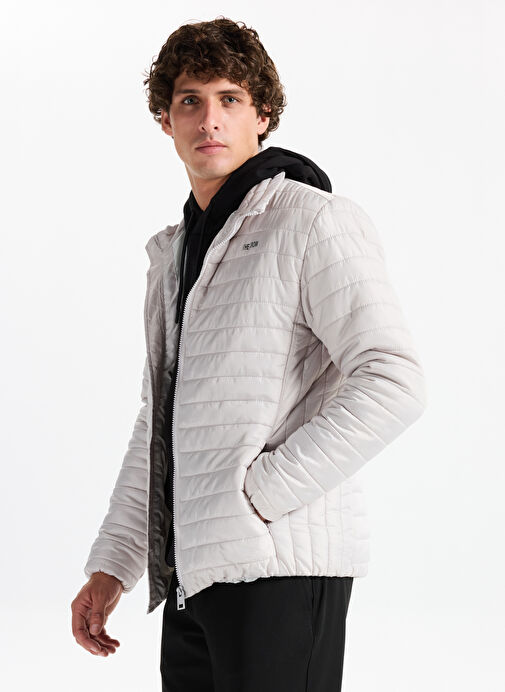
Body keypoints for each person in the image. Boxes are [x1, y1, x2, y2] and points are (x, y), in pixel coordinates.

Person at [71, 16, 427, 692]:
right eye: (190, 100)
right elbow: (161, 421)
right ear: (165, 121)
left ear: (262, 115)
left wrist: (256, 496)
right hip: (194, 573)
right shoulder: (176, 253)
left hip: (280, 568)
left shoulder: (312, 220)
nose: (209, 118)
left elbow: (394, 379)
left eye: (229, 99)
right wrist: (115, 563)